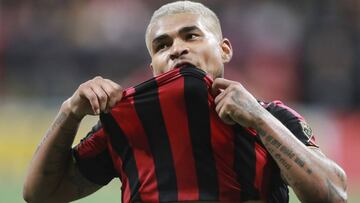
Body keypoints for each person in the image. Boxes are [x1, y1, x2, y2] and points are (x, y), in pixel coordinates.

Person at [23, 1, 347, 202]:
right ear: (153, 67)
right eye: (162, 46)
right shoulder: (128, 124)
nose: (176, 49)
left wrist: (260, 121)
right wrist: (70, 111)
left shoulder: (273, 117)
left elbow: (334, 196)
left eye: (190, 36)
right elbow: (40, 195)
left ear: (224, 49)